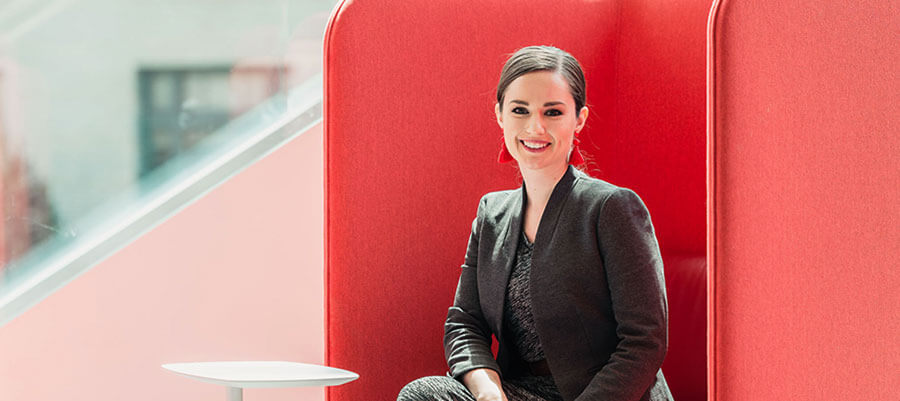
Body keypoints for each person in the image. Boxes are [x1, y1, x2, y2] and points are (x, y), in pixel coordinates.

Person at [397, 45, 674, 401]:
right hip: (521, 391)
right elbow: (465, 323)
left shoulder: (612, 208)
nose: (535, 127)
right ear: (500, 115)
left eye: (553, 112)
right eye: (520, 110)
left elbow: (644, 342)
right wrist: (488, 393)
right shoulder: (491, 213)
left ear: (580, 119)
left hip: (604, 396)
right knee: (423, 395)